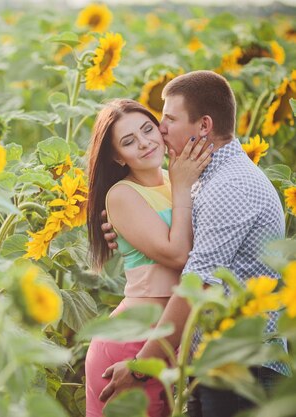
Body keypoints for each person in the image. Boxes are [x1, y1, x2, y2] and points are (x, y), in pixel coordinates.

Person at [98, 70, 288, 417]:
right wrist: (124, 231)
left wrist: (141, 367)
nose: (161, 129)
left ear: (203, 126)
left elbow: (196, 282)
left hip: (243, 367)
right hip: (214, 364)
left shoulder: (229, 186)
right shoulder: (205, 178)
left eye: (168, 118)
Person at [83, 98, 212, 417]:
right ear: (116, 155)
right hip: (131, 343)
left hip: (168, 340)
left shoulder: (173, 180)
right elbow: (179, 254)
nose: (144, 143)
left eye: (147, 129)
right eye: (128, 141)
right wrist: (183, 186)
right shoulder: (122, 194)